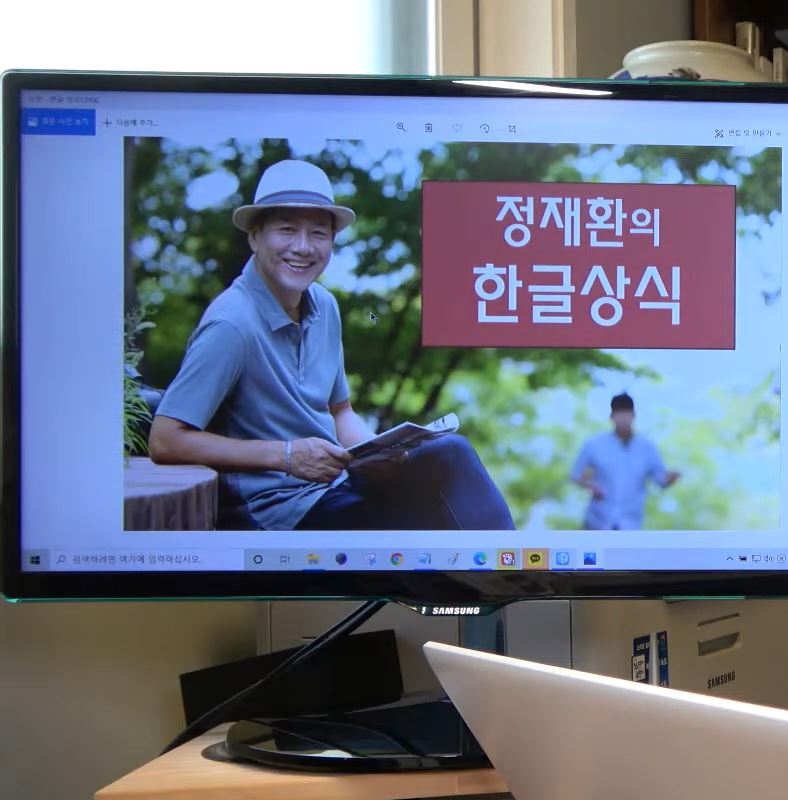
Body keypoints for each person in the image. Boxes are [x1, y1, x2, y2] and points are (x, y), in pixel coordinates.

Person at [150, 158, 515, 531]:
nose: (303, 247)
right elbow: (165, 440)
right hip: (281, 511)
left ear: (332, 241)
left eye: (318, 234)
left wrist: (376, 453)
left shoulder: (324, 305)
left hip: (337, 485)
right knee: (436, 522)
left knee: (451, 453)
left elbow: (340, 411)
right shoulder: (231, 324)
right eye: (287, 230)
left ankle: (511, 561)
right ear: (255, 236)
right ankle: (505, 565)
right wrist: (286, 456)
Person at [572, 392, 679, 530]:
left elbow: (661, 480)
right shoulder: (594, 444)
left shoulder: (647, 448)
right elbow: (575, 475)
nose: (623, 418)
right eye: (619, 413)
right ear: (611, 416)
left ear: (633, 415)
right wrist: (590, 485)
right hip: (597, 520)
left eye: (626, 412)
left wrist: (670, 478)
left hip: (631, 523)